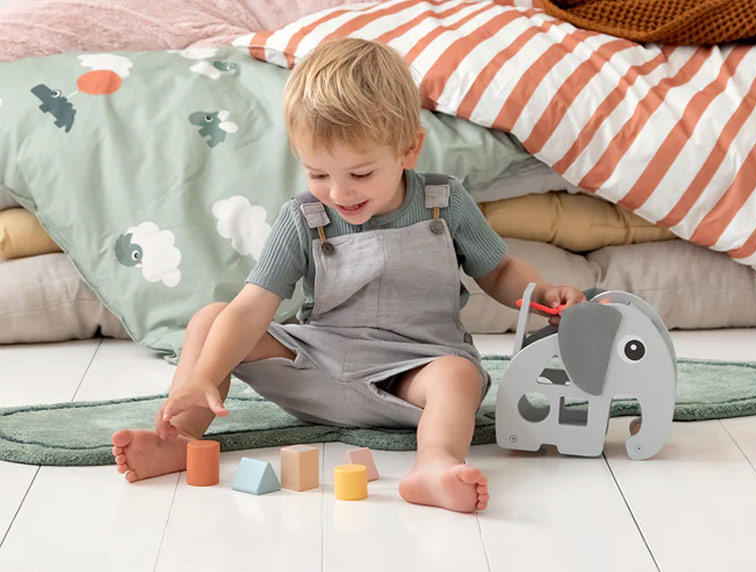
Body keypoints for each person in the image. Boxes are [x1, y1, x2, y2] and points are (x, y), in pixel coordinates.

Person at [112, 38, 586, 512]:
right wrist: (204, 375)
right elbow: (252, 306)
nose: (339, 193)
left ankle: (435, 463)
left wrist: (542, 293)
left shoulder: (445, 202)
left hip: (413, 373)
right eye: (318, 174)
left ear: (409, 149)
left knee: (457, 375)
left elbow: (498, 270)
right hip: (320, 365)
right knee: (212, 320)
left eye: (360, 175)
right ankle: (181, 437)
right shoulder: (303, 218)